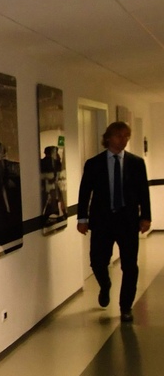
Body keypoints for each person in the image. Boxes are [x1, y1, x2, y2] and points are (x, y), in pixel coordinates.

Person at [77, 121, 151, 323]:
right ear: (108, 137)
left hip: (128, 221)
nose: (123, 140)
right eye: (119, 136)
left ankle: (126, 307)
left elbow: (143, 192)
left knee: (130, 266)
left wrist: (146, 216)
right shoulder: (94, 164)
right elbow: (85, 192)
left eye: (127, 136)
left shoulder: (136, 163)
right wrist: (82, 218)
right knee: (97, 261)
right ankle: (105, 285)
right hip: (102, 221)